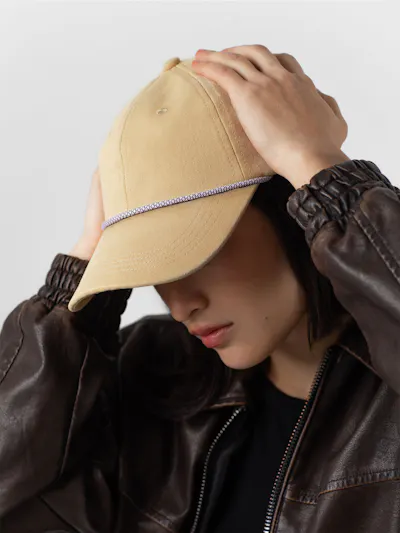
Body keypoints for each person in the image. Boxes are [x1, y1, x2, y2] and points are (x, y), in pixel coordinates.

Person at [1, 46, 400, 533]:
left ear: (293, 204)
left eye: (198, 249)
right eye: (154, 264)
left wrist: (321, 169)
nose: (179, 304)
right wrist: (80, 289)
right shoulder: (151, 372)